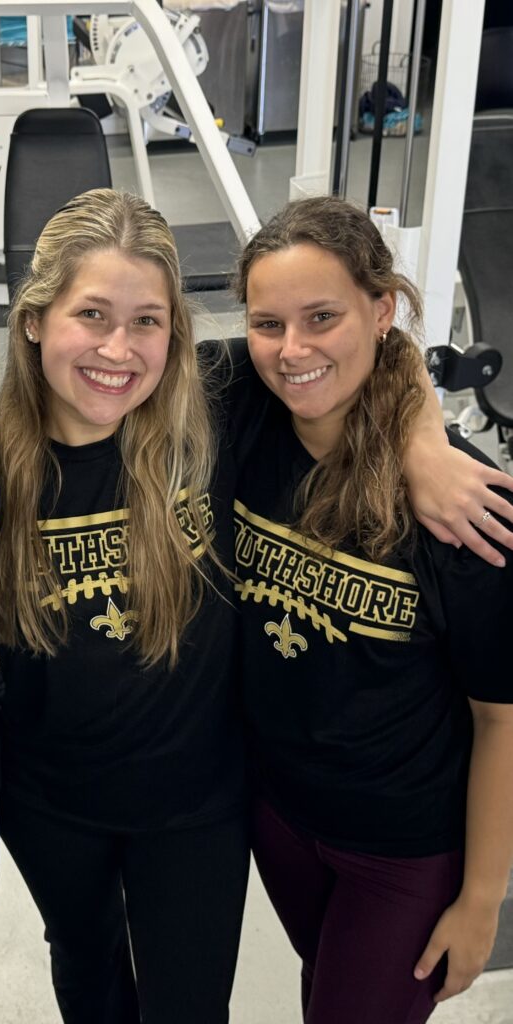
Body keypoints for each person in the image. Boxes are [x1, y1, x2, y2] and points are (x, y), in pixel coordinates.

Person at [230, 195, 513, 1024]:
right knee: (328, 989)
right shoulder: (242, 412)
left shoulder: (466, 507)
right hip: (279, 817)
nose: (293, 351)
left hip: (403, 848)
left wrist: (483, 899)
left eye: (323, 317)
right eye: (267, 323)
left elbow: (501, 720)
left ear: (381, 308)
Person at [0, 188, 250, 1024]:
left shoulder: (217, 406)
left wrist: (428, 439)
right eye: (92, 314)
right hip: (51, 806)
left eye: (147, 320)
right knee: (88, 971)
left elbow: (359, 354)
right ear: (35, 320)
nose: (119, 348)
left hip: (197, 806)